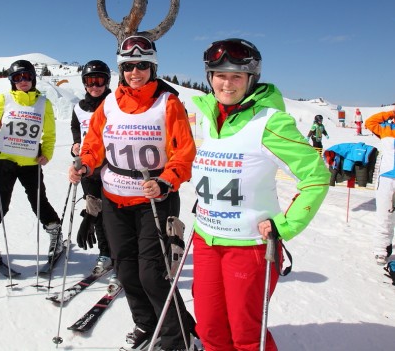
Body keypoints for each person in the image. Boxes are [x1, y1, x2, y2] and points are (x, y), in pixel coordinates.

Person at [191, 38, 330, 351]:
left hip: (249, 246)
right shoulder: (206, 117)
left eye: (236, 76)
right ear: (210, 77)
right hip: (206, 239)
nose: (227, 83)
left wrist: (286, 224)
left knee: (246, 335)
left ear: (250, 80)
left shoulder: (270, 123)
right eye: (220, 75)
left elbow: (317, 176)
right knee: (210, 328)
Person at [69, 35, 197, 350]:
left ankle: (177, 336)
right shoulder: (110, 104)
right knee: (126, 272)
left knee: (152, 273)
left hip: (155, 200)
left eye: (142, 65)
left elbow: (184, 152)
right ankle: (146, 324)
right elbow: (94, 145)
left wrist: (167, 180)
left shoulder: (168, 103)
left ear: (152, 68)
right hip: (115, 200)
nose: (135, 72)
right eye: (128, 66)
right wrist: (84, 165)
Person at [0, 60, 62, 260]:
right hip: (4, 160)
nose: (23, 80)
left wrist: (47, 153)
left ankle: (55, 234)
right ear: (12, 81)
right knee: (0, 201)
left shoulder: (43, 102)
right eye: (18, 77)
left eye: (26, 76)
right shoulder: (4, 98)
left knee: (38, 201)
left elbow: (49, 133)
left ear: (33, 78)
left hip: (31, 162)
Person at [70, 60, 114, 275]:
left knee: (114, 214)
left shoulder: (115, 104)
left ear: (107, 82)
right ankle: (105, 253)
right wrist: (75, 144)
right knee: (95, 212)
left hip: (113, 168)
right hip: (89, 169)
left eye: (99, 81)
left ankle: (120, 252)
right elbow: (75, 129)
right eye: (90, 81)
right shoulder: (79, 107)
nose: (95, 86)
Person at [365, 107, 395, 264]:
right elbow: (370, 122)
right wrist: (391, 113)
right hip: (387, 177)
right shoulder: (386, 128)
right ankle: (381, 249)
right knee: (384, 213)